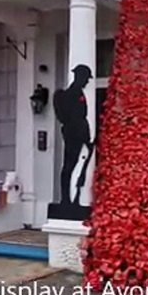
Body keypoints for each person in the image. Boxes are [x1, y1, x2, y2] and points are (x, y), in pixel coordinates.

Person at [53, 64, 94, 205]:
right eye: (86, 78)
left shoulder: (78, 93)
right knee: (70, 166)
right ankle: (66, 199)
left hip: (79, 132)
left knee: (76, 165)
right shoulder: (72, 94)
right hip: (74, 134)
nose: (87, 81)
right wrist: (83, 136)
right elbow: (75, 118)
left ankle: (72, 198)